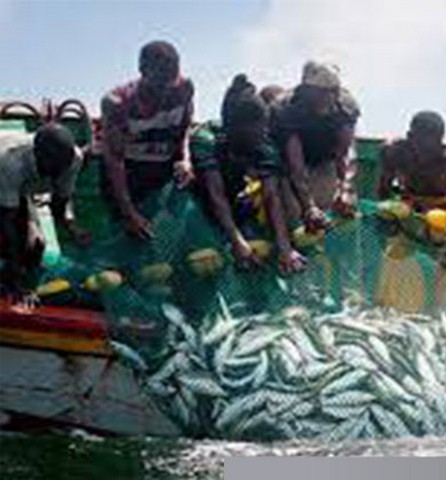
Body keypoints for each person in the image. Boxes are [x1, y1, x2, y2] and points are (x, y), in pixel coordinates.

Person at [192, 77, 306, 274]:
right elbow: (215, 195)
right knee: (206, 261)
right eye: (258, 128)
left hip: (237, 204)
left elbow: (271, 197)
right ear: (234, 127)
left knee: (259, 252)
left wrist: (285, 247)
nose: (263, 132)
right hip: (196, 209)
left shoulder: (264, 145)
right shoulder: (206, 138)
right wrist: (236, 241)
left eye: (264, 125)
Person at [101, 40, 195, 240]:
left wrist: (185, 159)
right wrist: (129, 212)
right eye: (159, 84)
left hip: (163, 171)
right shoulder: (117, 103)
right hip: (129, 176)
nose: (166, 91)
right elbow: (114, 161)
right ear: (142, 71)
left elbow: (184, 129)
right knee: (131, 236)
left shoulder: (184, 89)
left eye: (171, 81)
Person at [0, 124, 88, 302]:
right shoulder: (10, 163)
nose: (59, 171)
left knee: (35, 246)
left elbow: (59, 202)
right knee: (7, 247)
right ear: (37, 155)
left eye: (63, 165)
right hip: (3, 180)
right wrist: (14, 269)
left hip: (18, 189)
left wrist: (71, 229)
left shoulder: (74, 159)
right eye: (54, 166)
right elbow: (7, 220)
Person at [270, 61, 360, 231]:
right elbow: (295, 162)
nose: (329, 97)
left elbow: (346, 151)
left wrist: (346, 188)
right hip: (286, 165)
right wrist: (308, 205)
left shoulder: (346, 105)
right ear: (306, 91)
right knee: (296, 214)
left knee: (331, 211)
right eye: (322, 92)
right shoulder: (285, 108)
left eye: (333, 91)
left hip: (325, 159)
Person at [377, 111, 446, 268]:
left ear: (441, 139)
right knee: (395, 255)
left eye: (433, 146)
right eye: (421, 146)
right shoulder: (393, 151)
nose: (427, 153)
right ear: (410, 136)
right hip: (410, 208)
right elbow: (383, 189)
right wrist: (388, 218)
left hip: (443, 212)